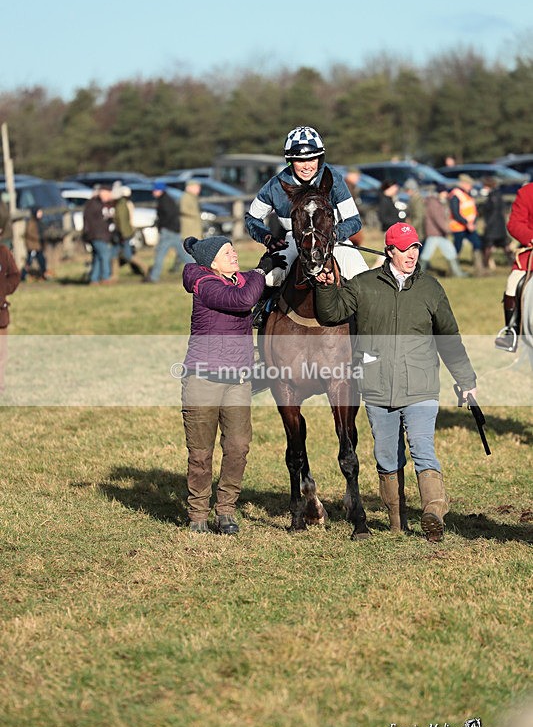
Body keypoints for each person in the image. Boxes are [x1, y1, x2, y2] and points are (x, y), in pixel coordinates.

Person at [315, 222, 477, 542]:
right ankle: (396, 522)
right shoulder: (363, 285)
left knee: (423, 451)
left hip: (420, 385)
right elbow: (332, 313)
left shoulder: (430, 288)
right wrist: (324, 286)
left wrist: (466, 380)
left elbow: (448, 337)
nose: (412, 254)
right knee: (388, 458)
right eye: (405, 249)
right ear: (390, 251)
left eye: (415, 247)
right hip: (377, 386)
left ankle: (433, 511)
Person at [181, 234, 285, 534]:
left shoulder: (238, 281)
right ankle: (198, 513)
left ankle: (226, 510)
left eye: (233, 249)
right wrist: (260, 274)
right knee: (200, 453)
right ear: (212, 262)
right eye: (227, 252)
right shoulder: (205, 284)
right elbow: (241, 301)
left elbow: (251, 298)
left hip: (238, 380)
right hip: (203, 380)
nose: (234, 254)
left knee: (238, 447)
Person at [245, 126, 368, 289]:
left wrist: (334, 234)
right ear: (290, 161)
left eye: (312, 159)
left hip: (332, 240)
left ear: (320, 159)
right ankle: (261, 313)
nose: (306, 166)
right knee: (269, 278)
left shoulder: (333, 179)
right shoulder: (276, 185)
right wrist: (267, 238)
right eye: (300, 160)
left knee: (362, 278)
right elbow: (252, 218)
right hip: (294, 240)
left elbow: (354, 220)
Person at [494, 181, 533, 352]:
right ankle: (512, 332)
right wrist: (530, 237)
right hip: (531, 253)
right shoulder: (526, 192)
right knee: (513, 283)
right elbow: (515, 223)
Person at [145, 182, 190, 282]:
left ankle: (153, 277)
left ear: (160, 190)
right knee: (183, 254)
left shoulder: (164, 201)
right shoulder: (167, 199)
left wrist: (161, 226)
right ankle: (200, 270)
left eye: (155, 190)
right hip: (174, 230)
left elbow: (167, 216)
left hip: (168, 231)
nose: (153, 191)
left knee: (160, 253)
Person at [419, 185, 466, 277]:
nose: (447, 194)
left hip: (440, 233)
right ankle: (417, 274)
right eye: (445, 192)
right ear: (440, 192)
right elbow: (438, 219)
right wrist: (447, 230)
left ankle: (457, 273)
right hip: (434, 233)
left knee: (451, 252)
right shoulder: (434, 203)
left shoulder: (440, 202)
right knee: (426, 255)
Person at [449, 174, 485, 275]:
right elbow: (456, 213)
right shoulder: (455, 195)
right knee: (457, 248)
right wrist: (467, 223)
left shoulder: (467, 194)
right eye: (469, 184)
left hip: (470, 226)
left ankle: (479, 269)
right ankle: (453, 270)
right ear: (463, 184)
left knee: (477, 244)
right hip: (458, 227)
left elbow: (472, 210)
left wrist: (472, 223)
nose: (471, 186)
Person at [110, 183, 147, 278]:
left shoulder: (122, 205)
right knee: (114, 254)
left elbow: (123, 221)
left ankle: (145, 268)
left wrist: (122, 233)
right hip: (123, 232)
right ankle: (114, 276)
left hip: (123, 233)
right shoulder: (123, 204)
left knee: (127, 255)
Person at [480, 177, 514, 271]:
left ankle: (484, 266)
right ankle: (513, 263)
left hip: (493, 227)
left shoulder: (493, 196)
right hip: (499, 226)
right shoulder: (497, 194)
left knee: (488, 247)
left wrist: (488, 225)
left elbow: (493, 212)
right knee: (505, 246)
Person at [83, 186, 115, 284]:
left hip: (99, 234)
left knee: (98, 257)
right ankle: (105, 277)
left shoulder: (99, 204)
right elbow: (92, 221)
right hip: (97, 235)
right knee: (105, 255)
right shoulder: (94, 205)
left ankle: (94, 278)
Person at [0, 243, 21, 394]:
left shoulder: (3, 252)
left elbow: (14, 275)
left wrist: (2, 291)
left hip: (0, 313)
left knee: (1, 352)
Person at [21, 207, 48, 281]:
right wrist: (39, 237)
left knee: (42, 260)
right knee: (29, 261)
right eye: (39, 212)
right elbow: (29, 233)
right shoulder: (31, 222)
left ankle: (44, 274)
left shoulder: (40, 222)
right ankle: (22, 275)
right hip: (33, 246)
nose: (40, 214)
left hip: (39, 246)